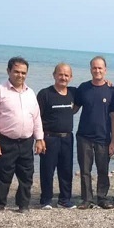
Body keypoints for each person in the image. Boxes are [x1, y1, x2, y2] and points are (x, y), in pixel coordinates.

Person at [0, 57, 45, 212]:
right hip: (5, 141)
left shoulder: (30, 93)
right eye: (17, 72)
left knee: (27, 175)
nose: (20, 75)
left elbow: (36, 117)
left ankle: (23, 204)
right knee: (3, 175)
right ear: (8, 71)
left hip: (26, 141)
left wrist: (39, 138)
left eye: (23, 73)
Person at [74, 56, 114, 209]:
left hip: (103, 137)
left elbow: (113, 117)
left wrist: (113, 141)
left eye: (100, 68)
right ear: (90, 69)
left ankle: (102, 198)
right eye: (94, 68)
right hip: (84, 136)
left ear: (105, 70)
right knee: (85, 170)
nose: (97, 70)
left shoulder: (111, 90)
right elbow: (73, 108)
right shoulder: (83, 88)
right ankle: (87, 199)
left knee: (103, 170)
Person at [37, 63, 77, 210]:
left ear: (71, 77)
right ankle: (46, 200)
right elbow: (37, 117)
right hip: (49, 137)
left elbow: (88, 91)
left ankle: (64, 200)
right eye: (60, 74)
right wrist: (39, 139)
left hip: (67, 138)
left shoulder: (73, 93)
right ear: (54, 75)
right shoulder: (45, 94)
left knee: (66, 170)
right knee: (47, 170)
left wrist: (107, 82)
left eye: (66, 75)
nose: (63, 78)